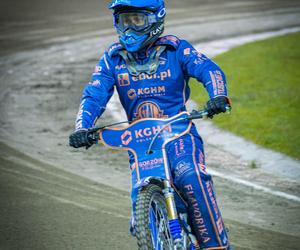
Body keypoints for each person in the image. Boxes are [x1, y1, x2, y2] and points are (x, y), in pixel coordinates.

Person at [69, 0, 231, 249]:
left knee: (190, 175)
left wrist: (217, 96)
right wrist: (82, 127)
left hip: (179, 134)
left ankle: (217, 244)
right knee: (140, 199)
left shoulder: (176, 49)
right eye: (125, 21)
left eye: (137, 20)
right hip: (140, 143)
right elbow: (94, 94)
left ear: (155, 19)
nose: (130, 29)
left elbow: (209, 69)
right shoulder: (112, 58)